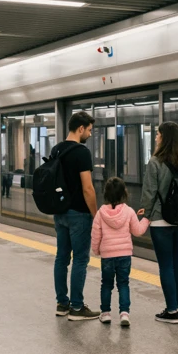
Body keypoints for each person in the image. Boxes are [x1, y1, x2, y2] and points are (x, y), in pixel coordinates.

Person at [140, 121, 178, 324]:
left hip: (160, 219)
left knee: (165, 265)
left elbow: (149, 193)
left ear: (164, 137)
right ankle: (177, 308)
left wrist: (144, 215)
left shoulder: (155, 162)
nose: (156, 137)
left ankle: (171, 310)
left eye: (158, 134)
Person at [52, 111, 99, 321]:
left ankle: (62, 303)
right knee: (80, 259)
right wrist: (96, 214)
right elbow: (87, 188)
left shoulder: (56, 149)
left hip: (60, 212)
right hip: (79, 213)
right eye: (88, 130)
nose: (89, 134)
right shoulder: (82, 152)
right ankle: (77, 308)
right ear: (80, 128)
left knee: (62, 257)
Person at [91, 177, 149, 327]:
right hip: (124, 255)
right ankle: (124, 314)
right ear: (124, 193)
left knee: (106, 285)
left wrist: (96, 250)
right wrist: (146, 219)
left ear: (105, 194)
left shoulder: (100, 213)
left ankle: (105, 313)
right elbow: (138, 231)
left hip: (107, 256)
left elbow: (96, 235)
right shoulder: (129, 212)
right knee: (123, 284)